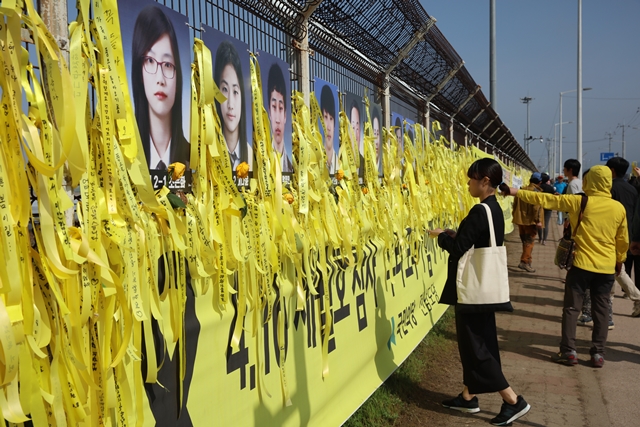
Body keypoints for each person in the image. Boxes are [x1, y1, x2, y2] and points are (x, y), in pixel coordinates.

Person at [429, 158, 531, 426]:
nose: (468, 183)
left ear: (485, 181)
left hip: (473, 294)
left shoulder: (479, 211)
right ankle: (467, 397)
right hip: (485, 293)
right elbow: (475, 241)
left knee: (476, 348)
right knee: (482, 343)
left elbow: (458, 249)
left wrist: (441, 236)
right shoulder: (494, 208)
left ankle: (512, 400)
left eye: (471, 178)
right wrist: (455, 234)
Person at [501, 165, 628, 368]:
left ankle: (568, 351)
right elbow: (622, 240)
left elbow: (546, 199)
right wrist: (619, 260)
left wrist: (514, 191)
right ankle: (598, 354)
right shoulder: (618, 208)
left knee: (571, 308)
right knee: (602, 311)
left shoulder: (579, 201)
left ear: (589, 182)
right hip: (605, 268)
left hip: (580, 264)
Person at [132, 5, 190, 171]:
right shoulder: (125, 158)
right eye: (150, 61)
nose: (160, 79)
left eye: (167, 65)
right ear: (139, 71)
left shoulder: (192, 158)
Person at [214, 41, 252, 172]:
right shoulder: (210, 155)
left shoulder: (251, 157)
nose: (230, 104)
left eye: (235, 91)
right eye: (224, 89)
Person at [511, 172, 543, 272]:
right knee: (529, 242)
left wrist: (515, 216)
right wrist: (538, 220)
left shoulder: (521, 190)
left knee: (525, 242)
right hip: (530, 221)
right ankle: (524, 262)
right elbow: (536, 208)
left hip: (521, 221)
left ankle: (528, 261)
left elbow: (515, 205)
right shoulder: (536, 192)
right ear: (540, 182)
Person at [266, 64, 292, 172]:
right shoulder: (262, 164)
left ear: (286, 115)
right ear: (269, 112)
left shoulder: (291, 169)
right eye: (273, 107)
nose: (277, 119)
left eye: (280, 108)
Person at [320, 85, 338, 174]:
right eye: (325, 117)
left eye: (331, 119)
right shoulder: (316, 163)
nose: (329, 127)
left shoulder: (340, 164)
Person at [538, 173, 555, 245]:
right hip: (548, 207)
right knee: (546, 223)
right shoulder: (550, 188)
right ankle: (544, 240)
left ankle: (540, 238)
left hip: (540, 207)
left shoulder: (539, 187)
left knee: (539, 223)